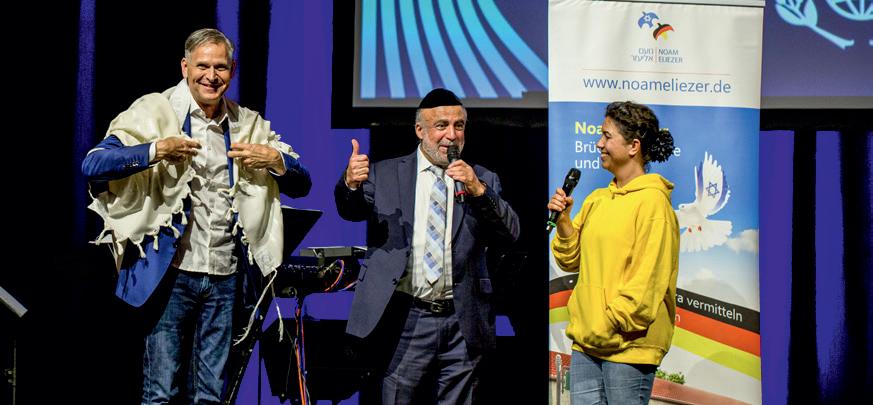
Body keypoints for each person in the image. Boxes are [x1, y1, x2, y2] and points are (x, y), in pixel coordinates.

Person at [81, 28, 311, 404]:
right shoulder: (156, 113)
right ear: (185, 67)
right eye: (203, 66)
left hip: (224, 277)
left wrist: (276, 160)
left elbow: (303, 182)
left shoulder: (246, 124)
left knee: (211, 397)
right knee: (161, 393)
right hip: (171, 275)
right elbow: (93, 164)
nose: (211, 76)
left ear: (232, 70)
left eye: (220, 67)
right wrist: (156, 150)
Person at [335, 88, 520, 403]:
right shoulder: (385, 173)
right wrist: (350, 183)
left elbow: (510, 232)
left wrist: (477, 189)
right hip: (406, 317)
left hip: (462, 321)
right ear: (420, 130)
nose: (452, 135)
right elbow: (350, 210)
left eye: (459, 126)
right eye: (441, 126)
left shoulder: (481, 178)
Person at [548, 101, 679, 404]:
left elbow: (648, 281)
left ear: (634, 146)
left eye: (607, 136)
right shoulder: (597, 199)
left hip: (628, 348)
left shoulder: (653, 204)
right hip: (587, 345)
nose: (599, 143)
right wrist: (564, 222)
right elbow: (569, 260)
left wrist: (608, 322)